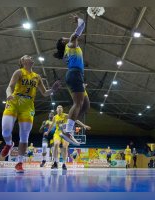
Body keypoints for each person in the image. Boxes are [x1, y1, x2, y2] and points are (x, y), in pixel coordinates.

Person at [0, 55, 60, 173]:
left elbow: (44, 93)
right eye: (27, 56)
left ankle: (19, 162)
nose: (31, 57)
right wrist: (8, 95)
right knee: (5, 131)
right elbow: (10, 87)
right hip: (14, 101)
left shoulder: (37, 77)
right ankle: (9, 144)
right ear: (22, 61)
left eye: (31, 56)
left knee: (24, 136)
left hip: (28, 105)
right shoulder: (19, 72)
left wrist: (52, 90)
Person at [53, 14, 90, 145]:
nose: (66, 36)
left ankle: (67, 126)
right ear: (64, 42)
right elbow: (82, 25)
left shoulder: (67, 51)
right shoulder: (71, 43)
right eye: (63, 38)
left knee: (85, 105)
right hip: (74, 74)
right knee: (78, 103)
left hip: (76, 75)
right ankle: (68, 131)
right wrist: (78, 19)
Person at [44, 105, 91, 170]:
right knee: (56, 144)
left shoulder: (66, 115)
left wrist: (84, 125)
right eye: (58, 108)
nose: (59, 109)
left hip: (65, 134)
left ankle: (64, 163)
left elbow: (75, 120)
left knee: (65, 147)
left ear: (62, 110)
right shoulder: (55, 117)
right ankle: (55, 162)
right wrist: (47, 132)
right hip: (57, 133)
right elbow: (51, 125)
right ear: (56, 110)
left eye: (61, 108)